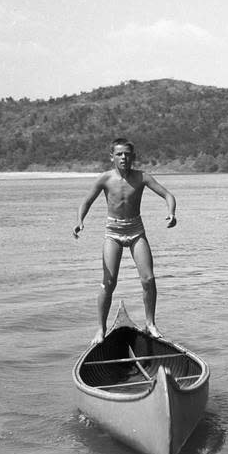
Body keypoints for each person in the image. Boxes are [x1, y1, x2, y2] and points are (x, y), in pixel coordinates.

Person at [73, 138, 177, 344]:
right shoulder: (105, 178)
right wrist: (80, 221)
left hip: (136, 229)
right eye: (119, 154)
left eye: (127, 154)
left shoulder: (142, 177)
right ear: (112, 156)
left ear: (133, 157)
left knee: (148, 279)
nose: (123, 158)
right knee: (108, 283)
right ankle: (101, 330)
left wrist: (171, 213)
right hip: (113, 231)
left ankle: (151, 324)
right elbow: (86, 201)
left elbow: (168, 195)